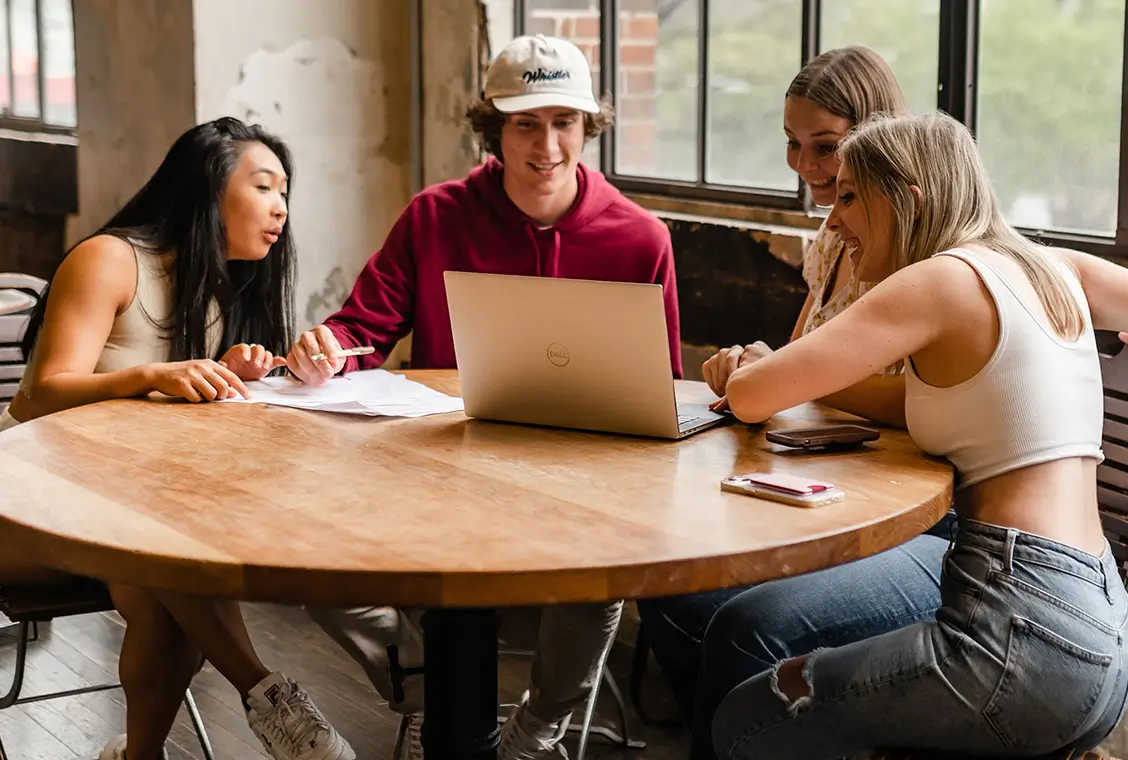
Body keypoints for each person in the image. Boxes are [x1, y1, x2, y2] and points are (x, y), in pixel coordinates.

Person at [285, 33, 682, 760]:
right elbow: (361, 327)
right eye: (526, 123)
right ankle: (417, 677)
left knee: (604, 575)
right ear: (493, 128)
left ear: (589, 127)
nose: (547, 145)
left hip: (583, 489)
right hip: (444, 477)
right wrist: (328, 349)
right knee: (301, 555)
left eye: (564, 122)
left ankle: (540, 727)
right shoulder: (433, 217)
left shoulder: (641, 239)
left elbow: (658, 391)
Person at [706, 109, 1128, 758]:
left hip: (1019, 629)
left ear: (907, 200)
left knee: (749, 718)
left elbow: (749, 397)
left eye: (849, 195)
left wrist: (761, 372)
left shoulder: (938, 280)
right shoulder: (1050, 267)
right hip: (1102, 621)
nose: (834, 218)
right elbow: (917, 401)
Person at [0, 117, 354, 760]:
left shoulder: (220, 289)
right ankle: (275, 702)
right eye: (266, 187)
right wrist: (155, 376)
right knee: (166, 559)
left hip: (119, 516)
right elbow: (42, 393)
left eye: (286, 194)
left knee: (160, 576)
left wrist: (240, 374)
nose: (281, 209)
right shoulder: (110, 259)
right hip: (20, 506)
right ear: (207, 187)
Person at [635, 46, 952, 758]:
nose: (806, 166)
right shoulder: (834, 243)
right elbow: (804, 351)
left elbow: (912, 400)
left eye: (826, 148)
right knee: (668, 588)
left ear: (879, 143)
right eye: (792, 144)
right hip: (824, 478)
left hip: (905, 509)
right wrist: (761, 365)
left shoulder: (925, 260)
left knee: (736, 619)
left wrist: (788, 377)